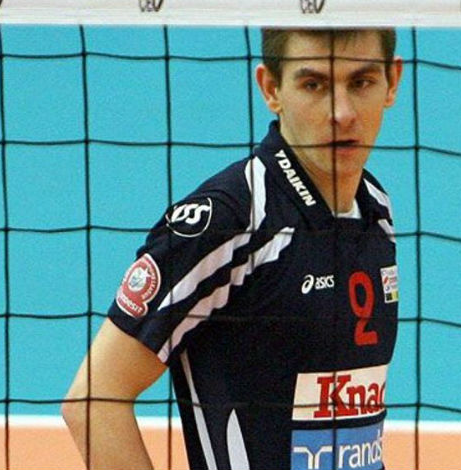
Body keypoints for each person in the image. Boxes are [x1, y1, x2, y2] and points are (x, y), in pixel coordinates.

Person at [63, 27, 403, 470]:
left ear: (392, 81)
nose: (342, 113)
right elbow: (93, 399)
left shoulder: (375, 208)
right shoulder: (230, 220)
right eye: (313, 84)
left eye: (361, 82)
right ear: (271, 88)